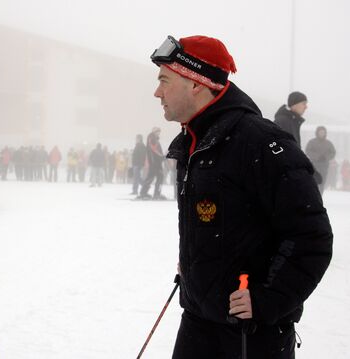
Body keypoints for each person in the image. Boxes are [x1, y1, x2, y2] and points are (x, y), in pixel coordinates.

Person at [150, 35, 332, 358]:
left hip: (251, 334)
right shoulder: (193, 142)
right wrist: (195, 261)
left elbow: (311, 237)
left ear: (195, 83)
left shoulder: (260, 142)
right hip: (197, 322)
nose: (157, 92)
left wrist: (267, 299)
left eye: (165, 80)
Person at [305, 126, 336, 194]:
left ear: (325, 133)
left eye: (323, 132)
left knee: (322, 182)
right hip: (314, 165)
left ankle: (320, 196)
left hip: (324, 166)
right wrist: (317, 156)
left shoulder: (328, 143)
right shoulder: (312, 142)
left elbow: (333, 152)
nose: (322, 134)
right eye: (320, 132)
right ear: (317, 133)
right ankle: (313, 196)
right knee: (313, 182)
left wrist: (326, 157)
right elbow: (308, 151)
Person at [138, 127, 166, 199]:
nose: (159, 133)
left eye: (159, 132)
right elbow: (154, 149)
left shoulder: (155, 139)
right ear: (154, 132)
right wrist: (162, 156)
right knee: (151, 177)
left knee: (158, 177)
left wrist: (162, 156)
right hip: (154, 162)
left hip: (156, 162)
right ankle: (144, 193)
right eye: (157, 132)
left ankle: (154, 193)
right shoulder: (152, 137)